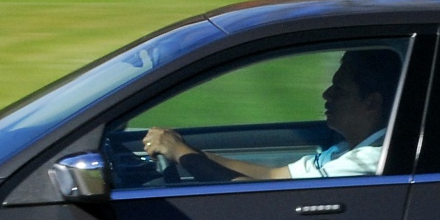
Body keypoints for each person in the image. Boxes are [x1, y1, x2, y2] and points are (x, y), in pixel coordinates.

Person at [141, 47, 403, 181]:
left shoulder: (370, 161)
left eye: (340, 90)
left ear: (371, 102)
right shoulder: (345, 150)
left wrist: (181, 154)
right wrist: (187, 152)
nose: (327, 95)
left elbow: (256, 197)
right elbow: (273, 176)